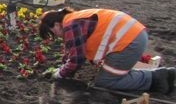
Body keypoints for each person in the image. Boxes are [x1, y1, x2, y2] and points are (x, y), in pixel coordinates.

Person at [39, 7, 176, 94]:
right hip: (133, 35)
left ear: (56, 25)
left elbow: (76, 60)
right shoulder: (73, 19)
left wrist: (59, 74)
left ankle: (155, 78)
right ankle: (163, 75)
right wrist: (62, 68)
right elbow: (72, 51)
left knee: (106, 82)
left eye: (52, 32)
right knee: (113, 73)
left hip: (128, 42)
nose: (56, 36)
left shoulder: (71, 26)